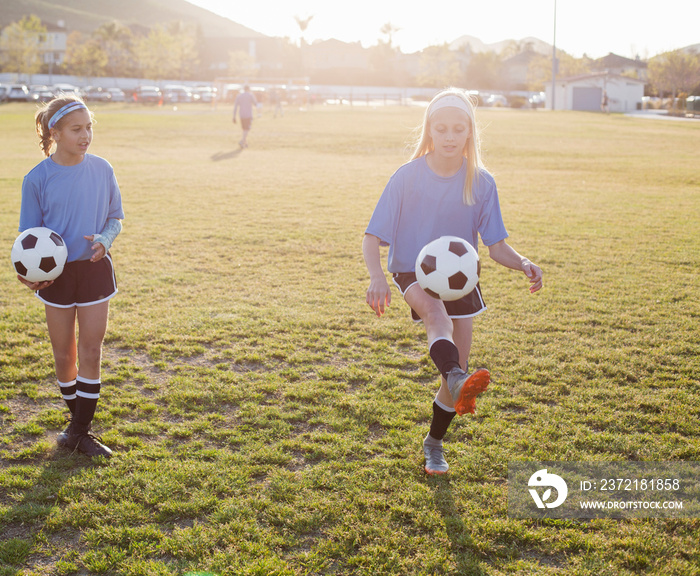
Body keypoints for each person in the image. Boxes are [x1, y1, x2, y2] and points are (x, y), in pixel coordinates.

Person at [363, 88, 543, 475]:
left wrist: (523, 262)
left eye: (457, 129)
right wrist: (377, 276)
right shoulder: (406, 177)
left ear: (469, 133)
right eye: (441, 128)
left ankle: (434, 444)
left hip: (461, 277)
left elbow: (496, 247)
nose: (449, 136)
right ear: (429, 130)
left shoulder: (481, 182)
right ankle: (458, 378)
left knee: (456, 370)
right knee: (435, 317)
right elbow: (371, 237)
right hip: (413, 268)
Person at [17, 95, 125, 458]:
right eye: (77, 129)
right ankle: (77, 427)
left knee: (91, 350)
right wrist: (28, 274)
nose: (86, 136)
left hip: (94, 270)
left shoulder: (102, 169)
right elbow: (28, 239)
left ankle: (80, 431)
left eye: (89, 128)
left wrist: (105, 241)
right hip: (57, 276)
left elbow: (115, 217)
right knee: (64, 354)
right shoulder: (36, 179)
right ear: (56, 132)